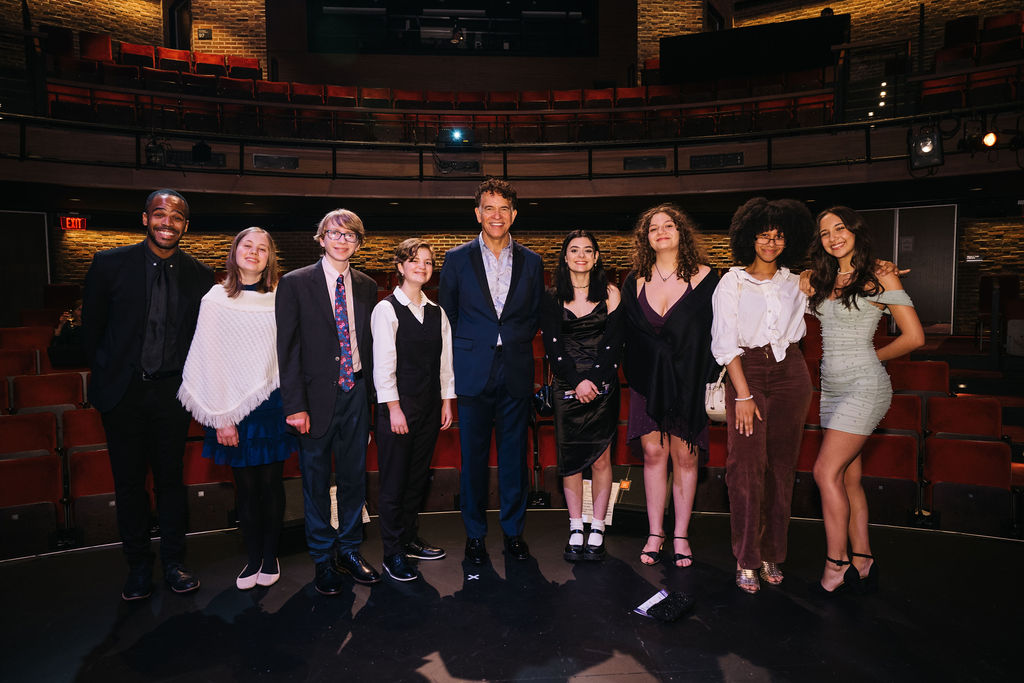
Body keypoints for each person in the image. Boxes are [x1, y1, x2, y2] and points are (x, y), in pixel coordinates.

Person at [82, 189, 215, 601]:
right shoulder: (109, 264)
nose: (167, 223)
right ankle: (138, 568)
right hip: (123, 395)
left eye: (176, 218)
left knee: (171, 484)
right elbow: (92, 331)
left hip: (172, 396)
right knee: (129, 486)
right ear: (145, 219)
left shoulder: (200, 275)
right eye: (159, 214)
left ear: (186, 226)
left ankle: (174, 563)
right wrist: (107, 381)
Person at [806, 206, 924, 594]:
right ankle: (862, 556)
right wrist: (804, 277)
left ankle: (835, 562)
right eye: (825, 233)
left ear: (855, 230)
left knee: (824, 473)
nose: (833, 237)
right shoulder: (820, 278)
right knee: (848, 478)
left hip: (864, 386)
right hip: (830, 388)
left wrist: (872, 357)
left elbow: (913, 337)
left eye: (839, 228)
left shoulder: (880, 274)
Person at [178, 227, 295, 590]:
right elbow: (210, 361)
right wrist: (223, 417)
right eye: (248, 245)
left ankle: (271, 555)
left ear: (270, 257)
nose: (254, 252)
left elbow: (289, 353)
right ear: (235, 251)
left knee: (271, 484)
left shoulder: (280, 297)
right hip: (233, 407)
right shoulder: (215, 299)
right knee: (245, 488)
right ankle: (253, 558)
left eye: (263, 248)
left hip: (272, 403)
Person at [439, 177, 544, 565]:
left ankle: (514, 533)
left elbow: (532, 315)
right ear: (477, 213)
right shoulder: (456, 258)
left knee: (514, 458)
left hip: (515, 369)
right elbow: (447, 317)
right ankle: (475, 536)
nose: (495, 215)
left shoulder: (533, 261)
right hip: (471, 371)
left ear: (513, 215)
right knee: (474, 460)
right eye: (488, 207)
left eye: (503, 208)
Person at [275, 208, 381, 595]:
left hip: (355, 393)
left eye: (350, 235)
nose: (342, 240)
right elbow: (286, 350)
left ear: (358, 243)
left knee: (354, 480)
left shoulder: (367, 285)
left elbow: (367, 345)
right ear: (320, 239)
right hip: (313, 400)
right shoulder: (295, 283)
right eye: (334, 233)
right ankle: (322, 558)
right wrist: (294, 406)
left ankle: (350, 550)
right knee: (316, 483)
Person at [710, 198, 814, 594]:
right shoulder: (732, 281)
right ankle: (747, 558)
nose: (771, 243)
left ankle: (772, 552)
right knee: (746, 469)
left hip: (792, 373)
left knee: (782, 469)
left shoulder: (798, 281)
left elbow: (844, 281)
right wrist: (743, 395)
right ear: (747, 237)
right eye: (763, 235)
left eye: (779, 235)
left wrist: (881, 269)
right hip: (748, 372)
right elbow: (724, 343)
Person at [621, 203, 718, 569]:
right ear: (646, 238)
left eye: (668, 225)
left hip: (690, 382)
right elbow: (627, 334)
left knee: (685, 457)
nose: (661, 231)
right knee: (653, 456)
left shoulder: (709, 278)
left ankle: (680, 534)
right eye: (653, 228)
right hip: (648, 382)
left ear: (681, 233)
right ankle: (655, 533)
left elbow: (720, 331)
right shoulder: (635, 280)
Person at [371, 238, 456, 581]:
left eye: (427, 262)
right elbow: (382, 366)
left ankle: (409, 539)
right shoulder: (386, 309)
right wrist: (394, 408)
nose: (422, 266)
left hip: (429, 406)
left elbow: (445, 363)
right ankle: (392, 552)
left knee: (417, 479)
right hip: (397, 409)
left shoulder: (437, 311)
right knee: (394, 482)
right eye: (414, 261)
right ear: (400, 267)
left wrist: (447, 401)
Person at [540, 230, 623, 562]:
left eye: (588, 251)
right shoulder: (551, 296)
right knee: (571, 458)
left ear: (596, 257)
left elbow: (615, 341)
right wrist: (576, 381)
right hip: (567, 385)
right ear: (565, 256)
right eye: (574, 250)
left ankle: (598, 526)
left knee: (602, 457)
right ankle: (576, 525)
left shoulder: (612, 293)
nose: (581, 256)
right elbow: (552, 346)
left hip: (603, 384)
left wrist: (594, 380)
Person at [48, 299, 86, 368]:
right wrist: (61, 325)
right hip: (70, 358)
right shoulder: (67, 326)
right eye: (79, 310)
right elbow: (56, 346)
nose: (82, 313)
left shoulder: (93, 327)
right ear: (73, 312)